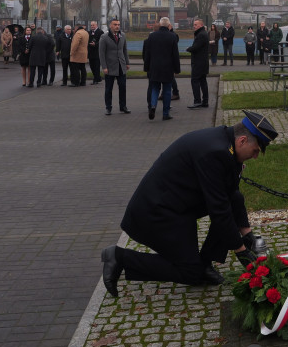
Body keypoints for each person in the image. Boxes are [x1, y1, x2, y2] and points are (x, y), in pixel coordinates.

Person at [100, 111, 278, 294]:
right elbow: (219, 210)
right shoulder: (215, 152)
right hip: (157, 213)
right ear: (242, 140)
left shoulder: (225, 143)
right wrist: (241, 251)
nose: (255, 156)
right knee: (190, 272)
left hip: (178, 207)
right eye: (256, 150)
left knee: (229, 205)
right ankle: (120, 257)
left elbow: (232, 196)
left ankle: (205, 263)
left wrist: (246, 233)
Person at [143, 18, 181, 120]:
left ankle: (153, 106)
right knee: (167, 90)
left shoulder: (152, 36)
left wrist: (146, 67)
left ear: (160, 24)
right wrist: (177, 69)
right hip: (167, 68)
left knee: (155, 89)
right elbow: (175, 55)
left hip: (154, 67)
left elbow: (148, 54)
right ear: (169, 25)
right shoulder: (172, 36)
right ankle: (165, 113)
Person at [99, 18, 131, 114]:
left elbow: (125, 50)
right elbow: (101, 53)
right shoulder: (104, 37)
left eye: (118, 24)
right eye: (115, 24)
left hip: (121, 66)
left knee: (122, 87)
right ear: (110, 26)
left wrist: (127, 62)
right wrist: (104, 67)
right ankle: (108, 108)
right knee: (109, 88)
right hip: (110, 67)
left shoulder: (123, 36)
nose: (117, 26)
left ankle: (123, 106)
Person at [188, 18, 210, 109]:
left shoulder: (201, 35)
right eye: (194, 24)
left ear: (201, 25)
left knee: (195, 81)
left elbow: (196, 47)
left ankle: (197, 101)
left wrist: (189, 49)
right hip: (203, 62)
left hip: (198, 62)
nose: (194, 26)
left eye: (196, 24)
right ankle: (205, 101)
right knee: (203, 81)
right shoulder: (203, 33)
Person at [69, 22, 89, 86]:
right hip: (84, 53)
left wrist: (72, 52)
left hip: (77, 53)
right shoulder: (86, 33)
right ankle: (83, 82)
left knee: (75, 69)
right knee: (83, 68)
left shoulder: (78, 33)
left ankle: (76, 82)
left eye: (74, 28)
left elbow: (75, 44)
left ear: (76, 28)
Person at [88, 20, 104, 85]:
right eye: (91, 25)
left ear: (96, 25)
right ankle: (98, 78)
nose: (92, 26)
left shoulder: (100, 32)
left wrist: (95, 44)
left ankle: (95, 80)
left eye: (93, 25)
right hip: (91, 52)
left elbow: (102, 42)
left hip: (97, 52)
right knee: (91, 66)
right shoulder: (89, 32)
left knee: (96, 66)